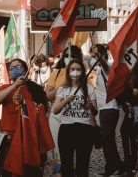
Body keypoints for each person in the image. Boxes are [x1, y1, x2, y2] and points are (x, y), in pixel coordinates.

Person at [0, 58, 53, 177]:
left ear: (26, 71)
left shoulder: (35, 89)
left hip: (29, 138)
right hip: (9, 139)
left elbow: (41, 110)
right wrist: (15, 85)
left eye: (18, 67)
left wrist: (24, 103)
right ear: (9, 73)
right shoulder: (4, 88)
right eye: (11, 68)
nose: (14, 69)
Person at [52, 59, 97, 177]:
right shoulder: (63, 89)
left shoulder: (89, 89)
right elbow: (55, 110)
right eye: (72, 69)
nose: (75, 72)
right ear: (68, 71)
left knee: (83, 165)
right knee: (67, 166)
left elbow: (95, 111)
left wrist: (90, 106)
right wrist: (65, 101)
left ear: (82, 72)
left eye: (78, 69)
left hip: (85, 129)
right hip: (66, 129)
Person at [45, 45, 83, 177]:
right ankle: (58, 173)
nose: (69, 58)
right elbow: (48, 96)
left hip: (75, 119)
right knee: (58, 151)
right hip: (56, 117)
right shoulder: (56, 74)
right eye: (66, 55)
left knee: (73, 152)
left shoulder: (83, 74)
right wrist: (65, 82)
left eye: (73, 56)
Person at [92, 44, 124, 177]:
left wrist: (99, 56)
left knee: (107, 140)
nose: (93, 58)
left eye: (94, 55)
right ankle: (113, 167)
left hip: (110, 108)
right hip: (103, 109)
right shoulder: (98, 70)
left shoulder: (109, 65)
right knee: (107, 140)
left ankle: (115, 167)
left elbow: (105, 65)